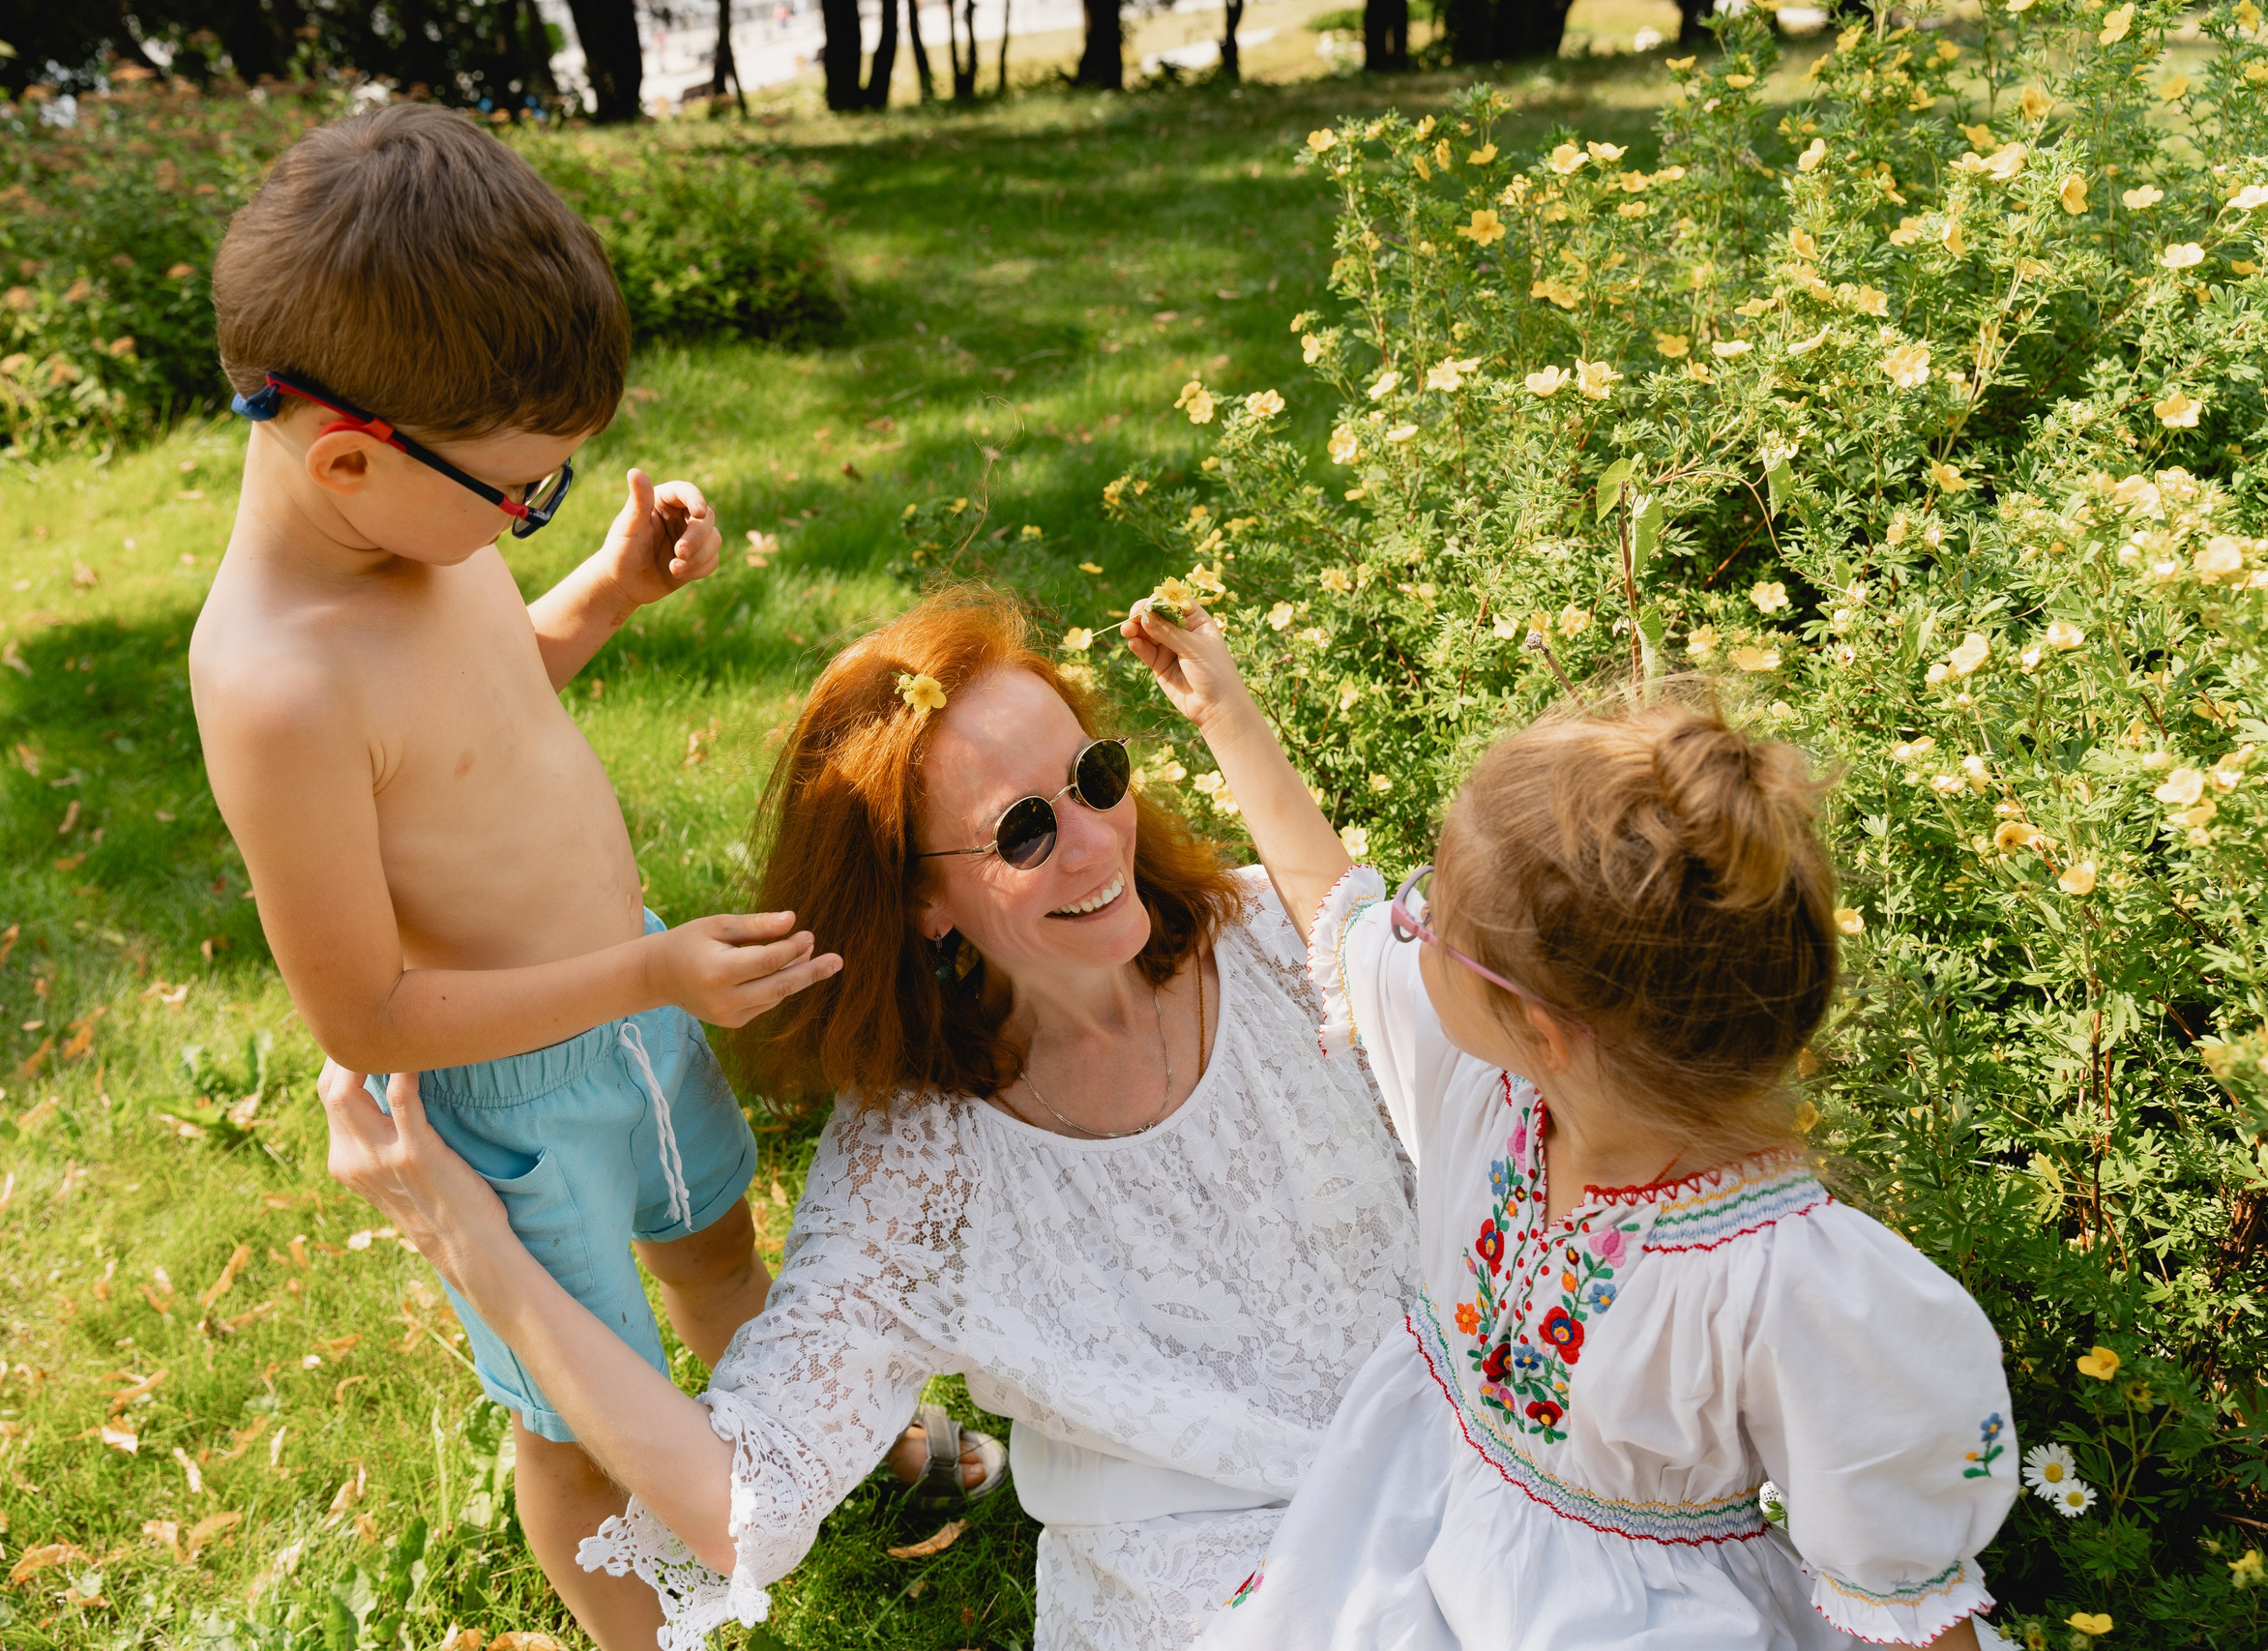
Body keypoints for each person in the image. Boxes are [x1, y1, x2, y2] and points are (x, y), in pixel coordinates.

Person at [318, 587, 1418, 1650]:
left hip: (1493, 1461)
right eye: (1022, 831)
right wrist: (469, 1245)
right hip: (1214, 1584)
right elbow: (734, 1501)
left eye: (1094, 776)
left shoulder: (1279, 938)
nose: (1091, 841)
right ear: (918, 903)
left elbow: (1453, 1023)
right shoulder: (919, 1173)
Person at [189, 103, 840, 1648]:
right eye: (525, 489)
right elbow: (372, 1007)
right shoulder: (279, 683)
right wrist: (652, 973)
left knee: (716, 1248)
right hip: (512, 1095)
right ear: (348, 453)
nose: (527, 513)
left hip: (634, 995)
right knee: (570, 1409)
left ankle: (806, 1460)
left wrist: (601, 586)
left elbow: (490, 700)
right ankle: (643, 1630)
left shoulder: (416, 529)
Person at [1112, 604, 2020, 1650]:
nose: (1405, 930)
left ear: (1543, 1026)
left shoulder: (1788, 1288)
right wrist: (1229, 718)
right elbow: (1340, 914)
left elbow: (1908, 1602)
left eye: (1432, 921)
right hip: (1413, 1532)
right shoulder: (1487, 1091)